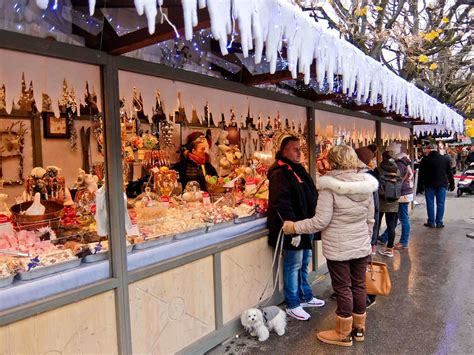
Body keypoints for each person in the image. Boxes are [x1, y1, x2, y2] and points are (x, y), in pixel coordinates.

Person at [283, 145, 378, 347]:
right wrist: (366, 240)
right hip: (361, 245)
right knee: (359, 285)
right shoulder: (366, 185)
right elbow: (371, 219)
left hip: (339, 247)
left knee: (343, 287)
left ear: (332, 161)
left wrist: (293, 227)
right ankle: (359, 329)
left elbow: (320, 222)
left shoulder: (329, 187)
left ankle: (343, 333)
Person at [267, 134, 325, 321]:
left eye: (300, 149)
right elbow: (280, 202)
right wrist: (291, 227)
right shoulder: (279, 173)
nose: (299, 152)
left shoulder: (298, 168)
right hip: (293, 228)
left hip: (305, 225)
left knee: (304, 261)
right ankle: (293, 303)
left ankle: (305, 295)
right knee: (293, 264)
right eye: (295, 149)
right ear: (284, 151)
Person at [379, 151, 414, 250]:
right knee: (395, 218)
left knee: (403, 218)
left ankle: (404, 241)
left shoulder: (398, 165)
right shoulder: (405, 163)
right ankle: (384, 237)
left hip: (402, 194)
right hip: (405, 192)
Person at [418, 144, 455, 228]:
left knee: (430, 203)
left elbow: (421, 174)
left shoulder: (425, 160)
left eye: (426, 149)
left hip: (429, 184)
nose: (425, 150)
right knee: (441, 203)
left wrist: (420, 186)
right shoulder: (444, 159)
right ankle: (439, 222)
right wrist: (452, 184)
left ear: (429, 149)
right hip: (442, 184)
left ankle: (431, 222)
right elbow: (449, 172)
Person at [377, 150, 401, 258]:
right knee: (391, 226)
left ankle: (372, 246)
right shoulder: (397, 170)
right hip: (393, 201)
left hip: (381, 201)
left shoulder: (379, 169)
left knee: (376, 224)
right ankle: (390, 249)